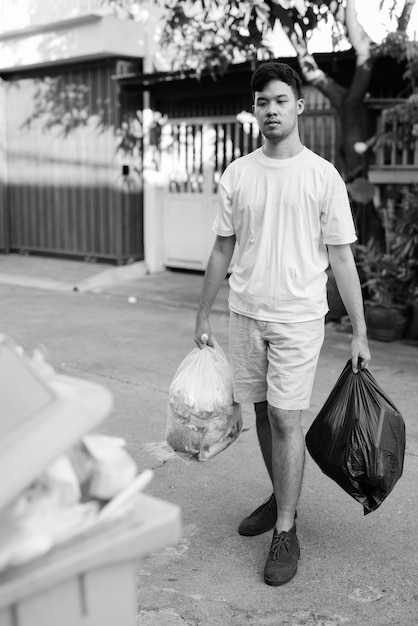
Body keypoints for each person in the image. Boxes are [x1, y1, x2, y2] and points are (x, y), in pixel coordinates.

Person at [194, 61, 371, 587]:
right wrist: (203, 311)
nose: (270, 110)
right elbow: (222, 247)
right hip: (245, 313)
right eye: (261, 103)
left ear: (298, 105)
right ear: (255, 111)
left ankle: (286, 529)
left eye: (279, 100)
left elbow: (342, 259)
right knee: (265, 415)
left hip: (298, 319)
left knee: (288, 421)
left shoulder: (322, 175)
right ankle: (279, 497)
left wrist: (360, 332)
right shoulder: (238, 174)